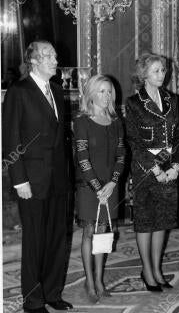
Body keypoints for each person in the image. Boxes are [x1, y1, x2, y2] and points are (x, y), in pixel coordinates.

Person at [2, 40, 73, 313]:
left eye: (55, 56)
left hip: (58, 179)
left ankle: (53, 293)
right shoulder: (19, 91)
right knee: (34, 243)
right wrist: (19, 180)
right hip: (30, 180)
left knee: (57, 239)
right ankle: (33, 301)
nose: (55, 61)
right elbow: (11, 140)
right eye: (49, 57)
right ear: (33, 61)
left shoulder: (56, 89)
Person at [125, 53, 179, 292]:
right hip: (146, 169)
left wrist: (176, 166)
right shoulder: (134, 102)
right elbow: (134, 141)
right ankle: (147, 271)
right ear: (144, 74)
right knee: (146, 221)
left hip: (170, 168)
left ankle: (157, 269)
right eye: (157, 71)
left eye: (163, 70)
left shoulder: (173, 99)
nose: (162, 74)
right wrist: (155, 168)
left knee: (163, 220)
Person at [73, 75, 125, 303]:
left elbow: (122, 155)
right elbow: (82, 159)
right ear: (91, 94)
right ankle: (90, 282)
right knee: (89, 232)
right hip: (88, 186)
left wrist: (112, 183)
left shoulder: (116, 121)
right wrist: (97, 187)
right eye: (102, 91)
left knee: (103, 232)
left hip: (110, 186)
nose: (107, 96)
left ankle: (100, 279)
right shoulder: (81, 122)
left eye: (109, 91)